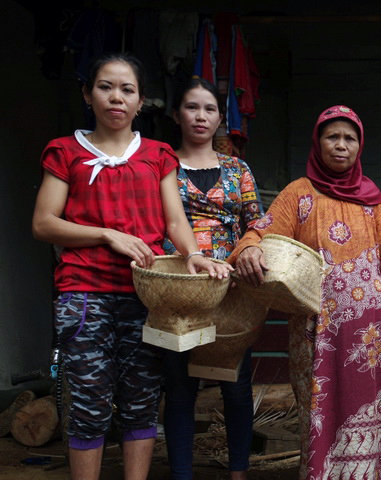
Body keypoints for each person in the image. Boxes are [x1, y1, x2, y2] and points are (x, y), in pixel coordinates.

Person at [31, 53, 231, 480]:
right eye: (105, 87)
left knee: (141, 401)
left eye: (127, 90)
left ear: (141, 102)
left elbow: (176, 221)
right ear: (88, 94)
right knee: (89, 403)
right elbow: (44, 222)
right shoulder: (65, 151)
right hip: (84, 294)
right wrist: (106, 234)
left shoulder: (157, 154)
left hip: (147, 295)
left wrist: (193, 254)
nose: (116, 98)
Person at [231, 105, 381, 479]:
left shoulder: (372, 198)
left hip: (369, 335)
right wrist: (248, 247)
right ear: (318, 142)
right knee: (320, 411)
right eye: (332, 137)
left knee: (369, 411)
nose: (341, 145)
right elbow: (262, 230)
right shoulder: (298, 193)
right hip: (315, 329)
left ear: (360, 146)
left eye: (350, 138)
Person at [161, 77, 265, 480]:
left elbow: (257, 223)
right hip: (177, 287)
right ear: (176, 115)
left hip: (233, 288)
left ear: (220, 117)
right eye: (191, 107)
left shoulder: (238, 169)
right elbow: (157, 222)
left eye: (209, 109)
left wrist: (248, 252)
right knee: (179, 386)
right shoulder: (161, 162)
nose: (200, 116)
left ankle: (238, 473)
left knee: (236, 386)